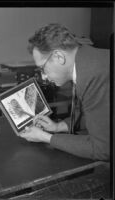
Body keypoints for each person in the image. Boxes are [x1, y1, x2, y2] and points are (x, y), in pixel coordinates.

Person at [20, 23, 110, 161]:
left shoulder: (93, 76)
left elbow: (103, 149)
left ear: (58, 57)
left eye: (42, 68)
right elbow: (101, 119)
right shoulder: (88, 60)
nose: (43, 76)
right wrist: (58, 127)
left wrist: (47, 137)